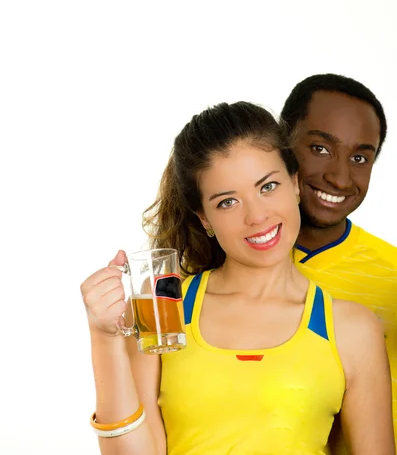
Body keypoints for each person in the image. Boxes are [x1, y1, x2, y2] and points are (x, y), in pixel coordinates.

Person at [80, 101, 394, 455]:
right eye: (228, 202)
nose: (257, 216)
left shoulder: (353, 329)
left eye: (268, 187)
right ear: (204, 218)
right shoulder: (165, 309)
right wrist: (104, 337)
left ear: (294, 184)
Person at [280, 73, 397, 450]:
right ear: (282, 141)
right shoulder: (209, 264)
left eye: (360, 157)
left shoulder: (392, 274)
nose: (340, 177)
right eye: (320, 149)